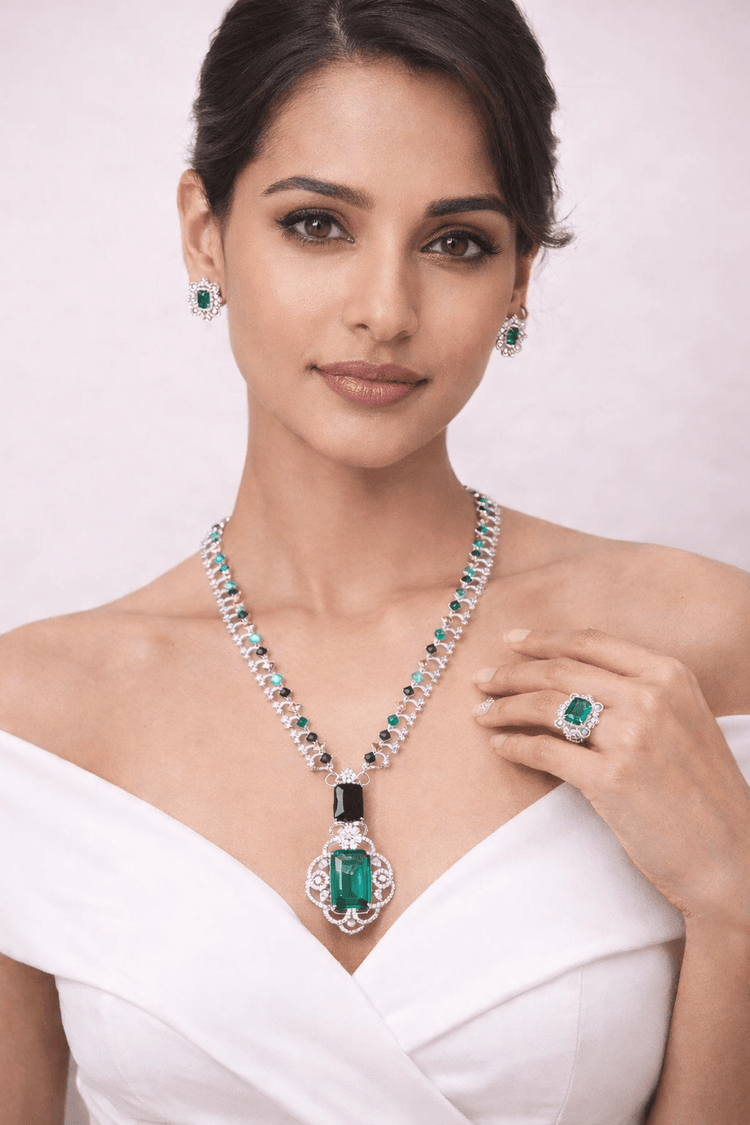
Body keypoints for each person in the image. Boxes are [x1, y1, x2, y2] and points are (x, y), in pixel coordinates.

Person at [1, 0, 749, 1122]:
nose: (384, 310)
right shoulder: (35, 719)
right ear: (205, 232)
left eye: (457, 243)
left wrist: (736, 898)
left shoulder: (696, 643)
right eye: (318, 224)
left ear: (521, 279)